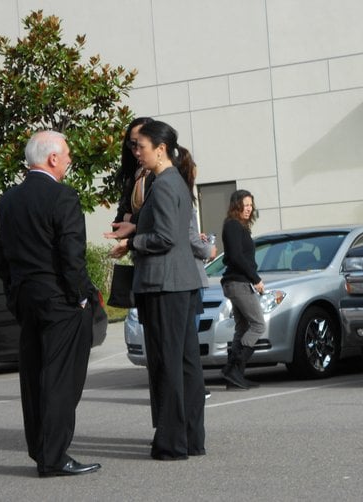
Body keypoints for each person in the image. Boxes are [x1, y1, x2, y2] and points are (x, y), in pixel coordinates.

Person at [0, 130, 101, 477]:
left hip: (26, 298)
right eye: (67, 154)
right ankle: (54, 457)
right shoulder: (63, 197)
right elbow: (72, 256)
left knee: (34, 377)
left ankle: (42, 451)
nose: (69, 160)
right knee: (60, 380)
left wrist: (14, 293)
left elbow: (2, 257)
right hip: (60, 301)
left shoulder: (8, 200)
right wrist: (83, 295)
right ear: (53, 158)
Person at [111, 120, 206, 460]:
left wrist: (132, 241)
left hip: (164, 284)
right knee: (185, 364)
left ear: (161, 148)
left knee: (167, 366)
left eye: (141, 147)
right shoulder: (172, 181)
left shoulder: (164, 184)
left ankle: (171, 443)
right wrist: (136, 225)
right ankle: (191, 439)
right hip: (177, 283)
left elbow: (166, 237)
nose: (136, 152)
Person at [220, 189, 266, 390]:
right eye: (245, 205)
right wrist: (256, 279)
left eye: (250, 205)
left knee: (243, 327)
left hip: (238, 282)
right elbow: (237, 257)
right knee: (257, 325)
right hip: (238, 283)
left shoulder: (240, 227)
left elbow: (230, 256)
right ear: (236, 206)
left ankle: (234, 376)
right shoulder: (232, 226)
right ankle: (234, 369)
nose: (248, 209)